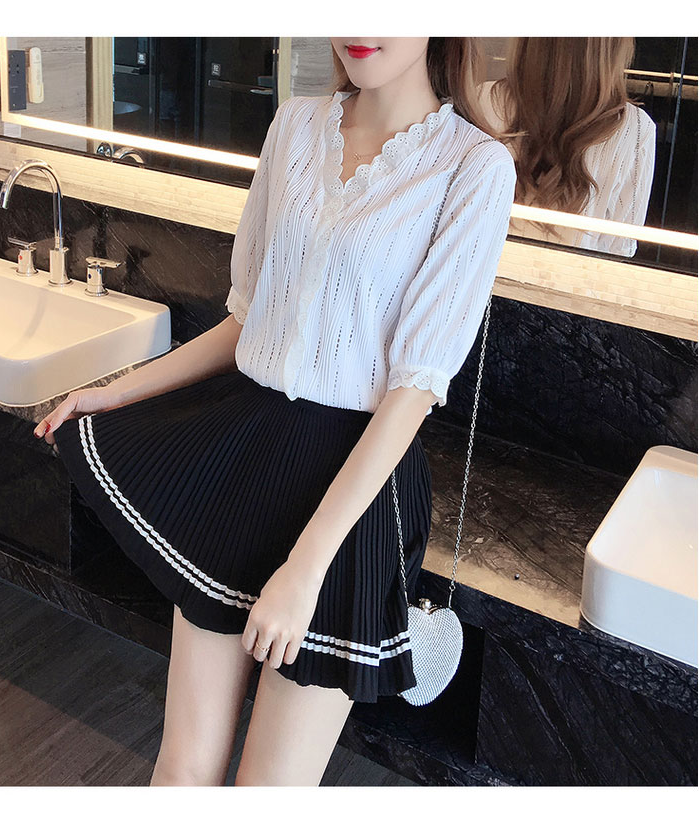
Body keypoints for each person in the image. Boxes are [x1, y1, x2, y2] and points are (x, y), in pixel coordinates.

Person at [33, 37, 516, 787]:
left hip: (351, 493)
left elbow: (414, 390)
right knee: (183, 768)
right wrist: (116, 390)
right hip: (245, 454)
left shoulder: (473, 167)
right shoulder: (294, 125)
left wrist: (305, 569)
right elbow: (248, 318)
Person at [477, 37, 656, 257]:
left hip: (486, 273)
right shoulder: (635, 128)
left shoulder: (482, 99)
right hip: (573, 275)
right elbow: (619, 249)